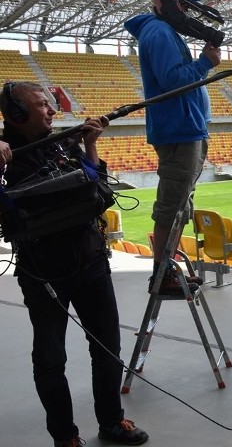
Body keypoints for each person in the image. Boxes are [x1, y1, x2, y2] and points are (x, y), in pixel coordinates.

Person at [0, 81, 149, 447]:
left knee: (107, 347)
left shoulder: (64, 143)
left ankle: (112, 422)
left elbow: (97, 187)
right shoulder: (3, 155)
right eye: (41, 105)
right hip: (43, 272)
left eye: (50, 104)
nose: (52, 110)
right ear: (17, 115)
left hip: (91, 260)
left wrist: (90, 144)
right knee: (51, 358)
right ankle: (65, 436)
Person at [124, 0, 221, 295]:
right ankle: (162, 274)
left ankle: (167, 268)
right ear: (161, 0)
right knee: (172, 205)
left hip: (185, 128)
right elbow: (172, 81)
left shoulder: (161, 32)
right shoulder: (160, 32)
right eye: (180, 2)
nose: (184, 9)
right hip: (179, 130)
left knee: (180, 205)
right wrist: (204, 63)